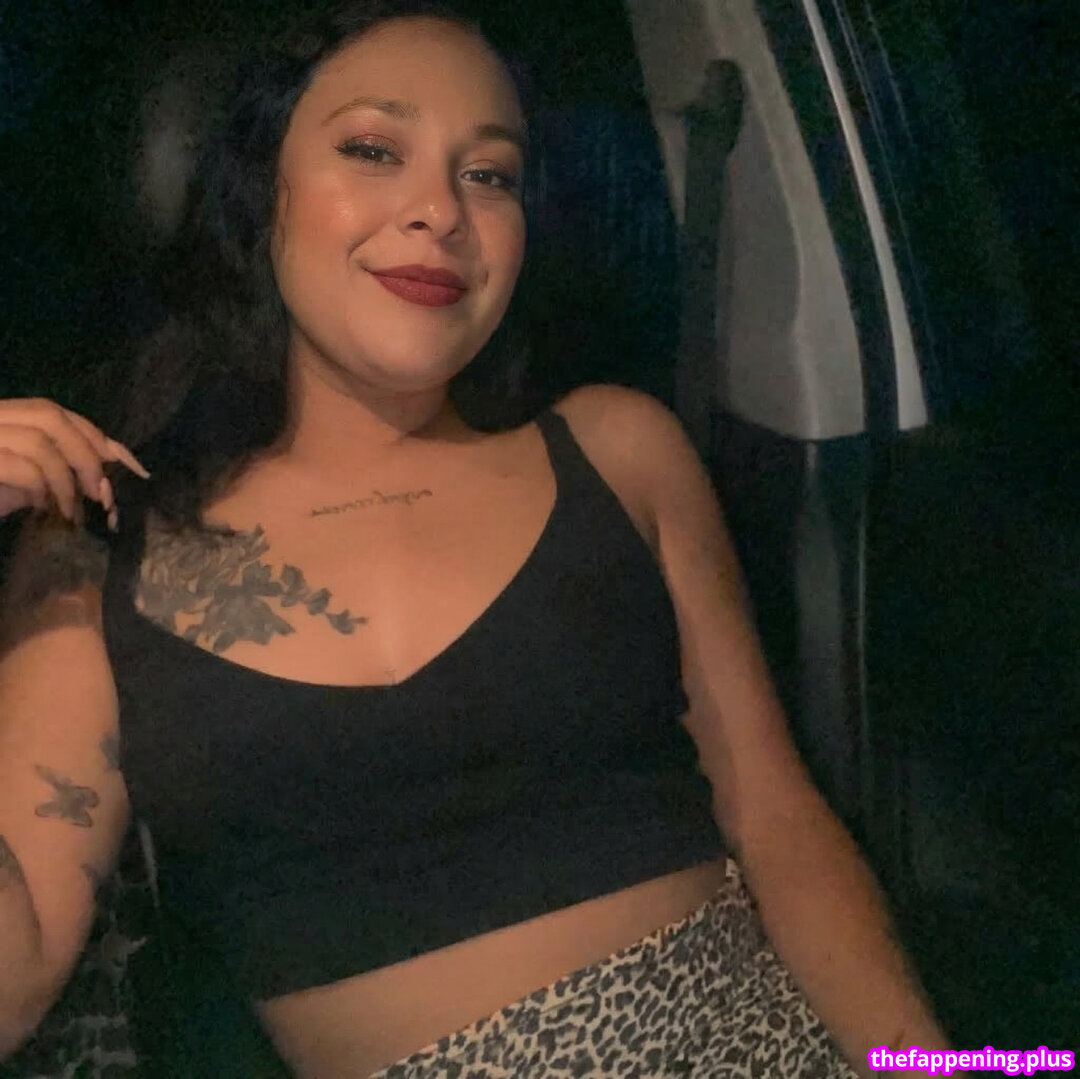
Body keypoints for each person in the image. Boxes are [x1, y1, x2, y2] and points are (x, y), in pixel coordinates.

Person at [0, 1, 955, 1075]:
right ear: (260, 192)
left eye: (489, 174)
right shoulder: (98, 542)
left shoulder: (617, 451)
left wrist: (930, 1066)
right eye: (374, 150)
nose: (440, 212)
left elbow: (777, 823)